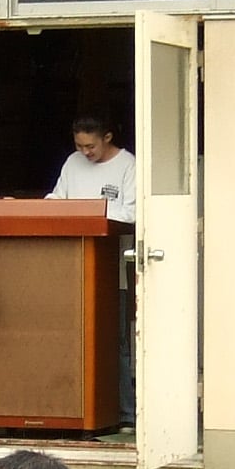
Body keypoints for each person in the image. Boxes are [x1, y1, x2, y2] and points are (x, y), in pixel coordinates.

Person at [47, 116, 139, 427]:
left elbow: (132, 212)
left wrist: (89, 212)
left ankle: (125, 412)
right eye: (79, 145)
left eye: (91, 145)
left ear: (108, 137)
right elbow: (58, 199)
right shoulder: (72, 163)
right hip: (69, 266)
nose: (85, 152)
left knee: (116, 342)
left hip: (111, 268)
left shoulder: (128, 165)